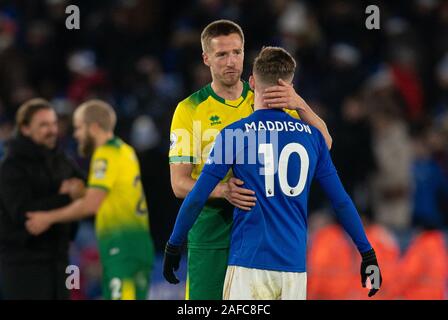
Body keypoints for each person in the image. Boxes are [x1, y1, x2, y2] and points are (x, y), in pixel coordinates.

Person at [164, 47, 382, 299]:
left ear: (253, 81)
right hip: (293, 269)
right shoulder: (312, 137)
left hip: (249, 264)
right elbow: (341, 201)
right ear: (290, 85)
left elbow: (197, 196)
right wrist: (367, 253)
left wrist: (174, 243)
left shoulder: (235, 134)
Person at [169, 19, 332, 300]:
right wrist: (223, 190)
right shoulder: (189, 110)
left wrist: (300, 103)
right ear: (206, 58)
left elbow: (324, 143)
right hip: (211, 236)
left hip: (259, 238)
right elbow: (179, 183)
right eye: (221, 54)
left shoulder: (264, 98)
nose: (231, 61)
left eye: (237, 52)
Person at [25, 100, 155, 300]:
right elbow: (114, 195)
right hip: (139, 244)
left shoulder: (104, 154)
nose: (76, 134)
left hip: (120, 246)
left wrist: (47, 218)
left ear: (93, 127)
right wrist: (82, 191)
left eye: (78, 128)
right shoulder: (125, 151)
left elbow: (92, 205)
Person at [0, 98, 85, 299]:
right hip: (24, 264)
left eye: (54, 123)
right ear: (25, 128)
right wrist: (65, 197)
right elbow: (23, 214)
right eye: (44, 125)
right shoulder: (11, 167)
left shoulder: (61, 158)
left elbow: (84, 186)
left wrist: (76, 191)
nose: (52, 130)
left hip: (60, 260)